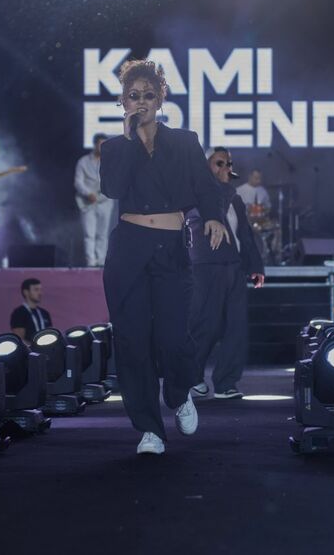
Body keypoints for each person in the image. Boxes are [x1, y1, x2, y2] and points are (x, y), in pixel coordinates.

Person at [99, 59, 228, 456]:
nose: (141, 101)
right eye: (133, 96)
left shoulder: (184, 142)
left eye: (148, 95)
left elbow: (205, 187)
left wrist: (214, 217)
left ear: (160, 99)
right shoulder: (115, 148)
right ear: (123, 102)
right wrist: (129, 139)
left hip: (171, 248)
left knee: (173, 336)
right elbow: (113, 188)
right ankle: (149, 429)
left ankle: (179, 392)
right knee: (132, 342)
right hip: (128, 250)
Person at [187, 148, 266, 400]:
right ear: (206, 166)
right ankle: (191, 377)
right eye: (218, 163)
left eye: (228, 164)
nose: (225, 169)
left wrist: (256, 266)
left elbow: (245, 234)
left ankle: (226, 382)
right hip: (206, 266)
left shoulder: (234, 196)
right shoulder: (195, 193)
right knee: (206, 325)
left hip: (234, 266)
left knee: (236, 327)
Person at [75, 132, 116, 268]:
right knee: (89, 233)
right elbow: (78, 182)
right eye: (100, 145)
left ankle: (101, 260)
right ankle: (91, 261)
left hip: (105, 202)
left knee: (102, 233)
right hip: (88, 202)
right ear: (94, 145)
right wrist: (88, 193)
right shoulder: (83, 162)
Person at [9, 278, 53, 342]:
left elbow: (51, 334)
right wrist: (34, 346)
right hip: (30, 348)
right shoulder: (18, 313)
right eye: (36, 290)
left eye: (40, 290)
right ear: (26, 292)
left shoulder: (45, 313)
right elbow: (20, 340)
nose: (40, 293)